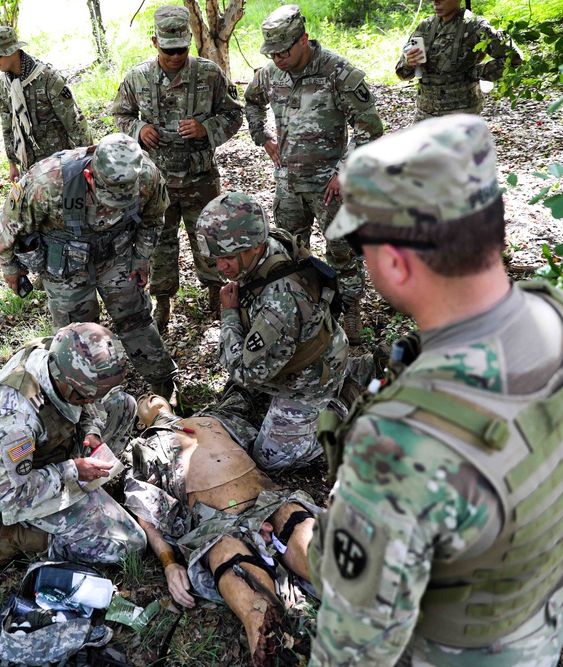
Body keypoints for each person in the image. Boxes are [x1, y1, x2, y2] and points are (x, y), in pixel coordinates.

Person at [307, 114, 563, 666]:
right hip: (542, 614)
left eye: (362, 245)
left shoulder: (401, 443)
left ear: (396, 262)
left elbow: (353, 651)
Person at [126, 388, 318, 666]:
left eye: (151, 392)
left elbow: (257, 411)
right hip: (215, 520)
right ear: (140, 423)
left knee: (295, 521)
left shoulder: (213, 417)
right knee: (227, 556)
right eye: (141, 400)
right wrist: (169, 563)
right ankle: (263, 628)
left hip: (268, 496)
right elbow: (142, 506)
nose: (148, 394)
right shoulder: (141, 445)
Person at [0, 132, 177, 398]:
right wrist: (12, 270)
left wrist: (141, 259)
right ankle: (87, 403)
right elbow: (8, 227)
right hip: (65, 268)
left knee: (135, 317)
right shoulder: (48, 181)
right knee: (76, 338)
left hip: (117, 255)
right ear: (90, 176)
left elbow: (153, 218)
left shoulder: (147, 174)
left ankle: (163, 382)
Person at [244, 5, 384, 345]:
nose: (278, 58)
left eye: (284, 51)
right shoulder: (270, 75)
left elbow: (370, 128)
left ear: (304, 40)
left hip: (331, 187)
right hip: (289, 184)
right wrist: (263, 137)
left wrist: (344, 171)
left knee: (343, 251)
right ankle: (303, 311)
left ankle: (350, 309)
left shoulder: (338, 72)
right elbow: (251, 102)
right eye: (272, 53)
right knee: (290, 250)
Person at [194, 191, 352, 472]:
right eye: (215, 258)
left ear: (254, 247)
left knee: (269, 459)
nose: (221, 267)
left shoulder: (278, 304)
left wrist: (229, 314)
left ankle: (341, 415)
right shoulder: (269, 241)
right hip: (306, 349)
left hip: (311, 378)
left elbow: (245, 373)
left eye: (228, 257)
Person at [0, 322, 146, 572]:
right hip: (25, 485)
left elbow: (90, 404)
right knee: (131, 544)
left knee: (123, 405)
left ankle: (90, 495)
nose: (93, 401)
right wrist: (72, 470)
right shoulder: (16, 421)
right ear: (64, 380)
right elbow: (0, 495)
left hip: (55, 448)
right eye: (87, 396)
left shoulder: (63, 353)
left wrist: (91, 430)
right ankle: (24, 535)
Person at [111, 4, 243, 331]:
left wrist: (206, 129)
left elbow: (233, 114)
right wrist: (138, 130)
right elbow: (121, 115)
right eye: (169, 50)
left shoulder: (209, 74)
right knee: (159, 243)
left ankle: (216, 292)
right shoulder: (137, 78)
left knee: (210, 238)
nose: (175, 56)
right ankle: (163, 301)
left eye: (182, 49)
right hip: (155, 182)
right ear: (154, 42)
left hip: (200, 178)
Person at [0, 25, 93, 182]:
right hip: (28, 165)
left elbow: (75, 122)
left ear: (13, 51)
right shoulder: (3, 85)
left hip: (59, 163)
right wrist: (12, 162)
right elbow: (7, 125)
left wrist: (86, 161)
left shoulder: (48, 79)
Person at [396, 0, 522, 123]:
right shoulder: (425, 26)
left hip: (462, 113)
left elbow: (513, 58)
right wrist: (409, 62)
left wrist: (476, 72)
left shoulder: (476, 26)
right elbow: (402, 74)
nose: (436, 2)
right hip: (425, 112)